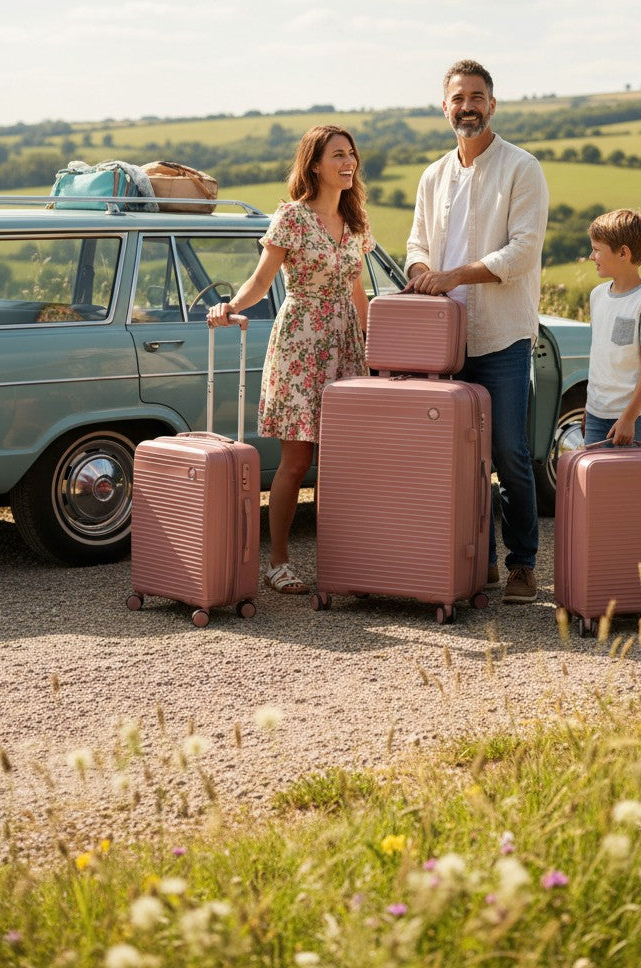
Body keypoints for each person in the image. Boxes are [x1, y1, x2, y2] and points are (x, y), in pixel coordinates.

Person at [405, 59, 549, 604]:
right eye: (457, 97)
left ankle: (523, 565)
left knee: (509, 451)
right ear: (445, 106)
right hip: (442, 341)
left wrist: (454, 276)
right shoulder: (433, 175)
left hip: (503, 336)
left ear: (493, 104)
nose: (467, 106)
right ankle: (476, 561)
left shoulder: (522, 168)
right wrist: (422, 272)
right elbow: (417, 244)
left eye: (477, 96)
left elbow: (521, 252)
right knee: (459, 458)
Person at [208, 125, 373, 593]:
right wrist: (231, 307)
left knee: (343, 463)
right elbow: (261, 281)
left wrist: (378, 345)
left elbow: (359, 292)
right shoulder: (291, 218)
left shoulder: (357, 221)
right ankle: (277, 561)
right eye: (337, 154)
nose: (348, 162)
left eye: (351, 154)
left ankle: (341, 562)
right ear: (315, 164)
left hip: (345, 345)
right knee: (296, 462)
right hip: (301, 341)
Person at [583, 209, 641, 447]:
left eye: (597, 249)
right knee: (596, 482)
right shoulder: (597, 296)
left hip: (635, 417)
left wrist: (628, 418)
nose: (591, 256)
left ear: (623, 253)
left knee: (630, 483)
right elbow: (600, 358)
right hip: (597, 413)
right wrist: (589, 408)